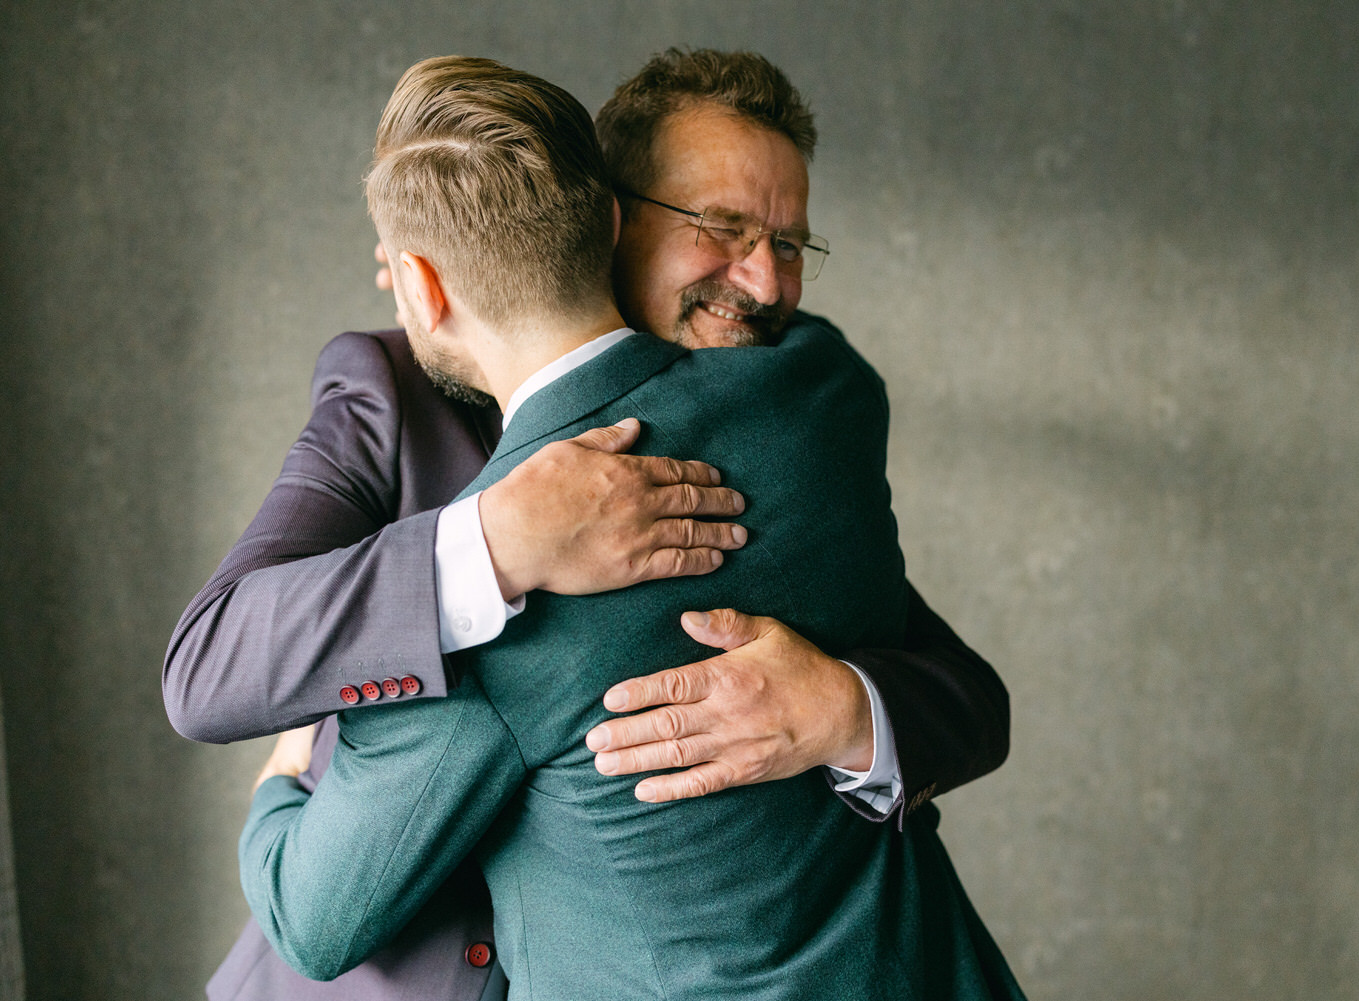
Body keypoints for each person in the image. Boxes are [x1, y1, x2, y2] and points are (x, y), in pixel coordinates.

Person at [174, 49, 1011, 1001]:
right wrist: (490, 546)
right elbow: (210, 662)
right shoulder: (388, 391)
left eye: (791, 244)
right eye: (722, 227)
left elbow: (964, 691)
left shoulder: (795, 402)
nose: (768, 285)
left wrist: (843, 710)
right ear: (608, 219)